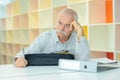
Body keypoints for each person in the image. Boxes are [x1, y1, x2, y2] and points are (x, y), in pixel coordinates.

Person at [14, 8, 90, 67]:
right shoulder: (45, 37)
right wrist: (18, 59)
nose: (61, 29)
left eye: (67, 26)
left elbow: (83, 62)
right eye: (60, 23)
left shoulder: (78, 39)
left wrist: (80, 31)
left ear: (73, 27)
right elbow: (24, 53)